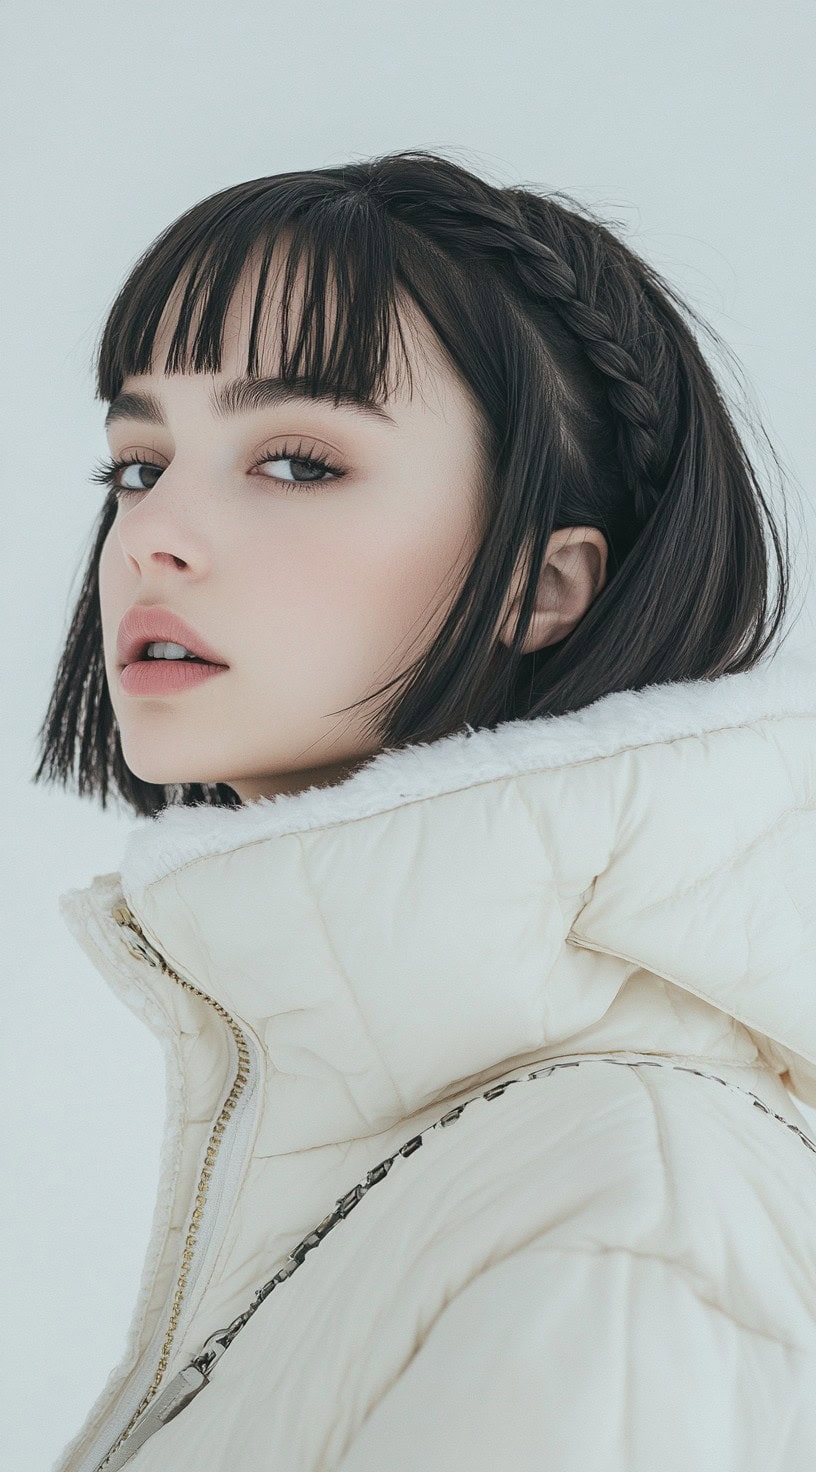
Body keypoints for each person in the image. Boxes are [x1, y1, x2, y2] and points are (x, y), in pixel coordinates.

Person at [36, 149, 816, 1471]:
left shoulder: (627, 1202)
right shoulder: (444, 1153)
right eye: (139, 460)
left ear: (545, 584)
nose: (153, 535)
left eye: (294, 461)